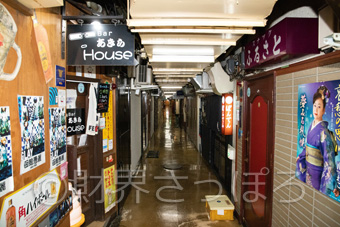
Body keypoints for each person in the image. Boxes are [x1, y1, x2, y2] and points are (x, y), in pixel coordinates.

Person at [296, 85, 339, 197]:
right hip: (308, 169)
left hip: (317, 173)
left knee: (314, 196)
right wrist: (301, 156)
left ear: (324, 110)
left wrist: (330, 185)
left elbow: (329, 161)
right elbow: (308, 146)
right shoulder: (312, 126)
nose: (315, 109)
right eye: (315, 105)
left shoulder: (323, 132)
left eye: (319, 107)